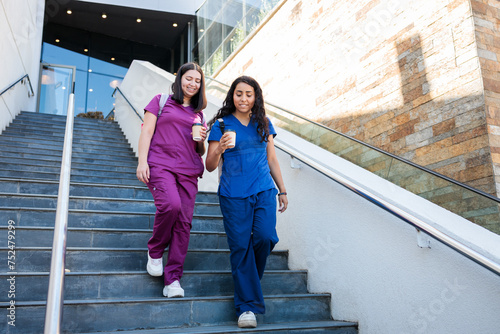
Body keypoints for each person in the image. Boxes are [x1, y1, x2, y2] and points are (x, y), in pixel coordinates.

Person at [205, 76, 288, 328]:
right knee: (241, 248)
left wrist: (282, 190)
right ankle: (246, 309)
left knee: (266, 237)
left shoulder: (263, 122)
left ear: (255, 97)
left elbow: (272, 159)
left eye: (248, 94)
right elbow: (209, 166)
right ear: (232, 95)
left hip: (264, 189)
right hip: (233, 194)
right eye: (239, 94)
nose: (243, 98)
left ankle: (247, 286)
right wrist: (219, 150)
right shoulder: (221, 124)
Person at [136, 62, 207, 298]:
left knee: (184, 224)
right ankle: (155, 250)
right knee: (170, 205)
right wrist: (142, 162)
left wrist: (201, 139)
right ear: (179, 79)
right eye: (189, 78)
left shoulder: (199, 114)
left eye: (197, 81)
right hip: (160, 164)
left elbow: (201, 151)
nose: (193, 84)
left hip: (188, 170)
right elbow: (146, 131)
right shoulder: (161, 100)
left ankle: (173, 280)